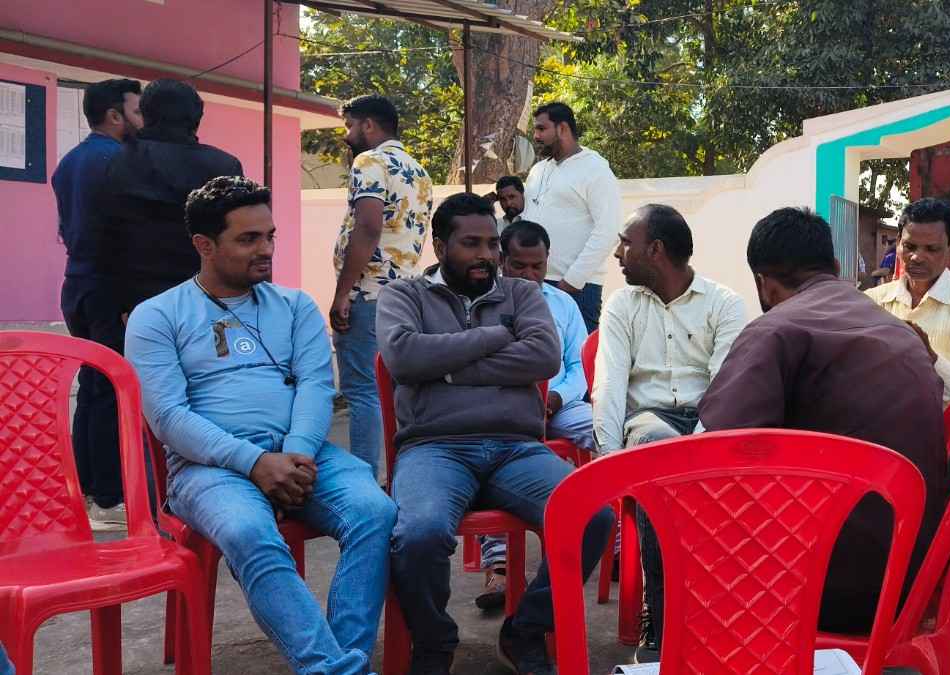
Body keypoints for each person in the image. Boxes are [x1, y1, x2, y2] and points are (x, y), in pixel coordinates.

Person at [125, 176, 396, 674]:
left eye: (269, 236)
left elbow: (316, 386)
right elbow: (167, 417)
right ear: (204, 245)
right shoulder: (158, 316)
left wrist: (296, 454)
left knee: (374, 511)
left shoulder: (293, 306)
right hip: (208, 467)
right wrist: (253, 463)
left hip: (302, 452)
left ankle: (340, 660)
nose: (266, 249)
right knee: (249, 530)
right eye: (248, 239)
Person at [379, 192, 612, 675]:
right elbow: (403, 357)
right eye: (471, 243)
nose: (485, 255)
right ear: (440, 246)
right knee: (418, 535)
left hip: (517, 449)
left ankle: (524, 630)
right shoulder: (405, 295)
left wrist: (444, 367)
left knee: (593, 515)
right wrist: (497, 336)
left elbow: (544, 357)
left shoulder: (521, 294)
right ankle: (435, 643)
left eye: (491, 244)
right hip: (435, 448)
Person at [698, 206, 950, 634]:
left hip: (820, 590)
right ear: (834, 266)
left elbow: (717, 452)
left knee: (669, 495)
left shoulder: (774, 329)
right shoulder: (898, 329)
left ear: (763, 283)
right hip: (911, 583)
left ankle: (664, 647)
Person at [592, 203, 746, 654]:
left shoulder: (724, 303)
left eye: (626, 243)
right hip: (649, 423)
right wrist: (607, 461)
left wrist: (697, 452)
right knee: (658, 457)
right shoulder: (622, 305)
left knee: (696, 471)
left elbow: (724, 391)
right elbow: (609, 383)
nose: (617, 253)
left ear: (655, 250)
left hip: (708, 422)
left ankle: (711, 615)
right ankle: (661, 622)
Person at [471, 218, 596, 612]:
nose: (529, 275)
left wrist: (556, 398)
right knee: (487, 453)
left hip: (557, 405)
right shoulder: (484, 303)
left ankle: (614, 538)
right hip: (502, 412)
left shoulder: (563, 304)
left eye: (537, 266)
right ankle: (499, 565)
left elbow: (579, 367)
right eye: (519, 266)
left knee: (606, 429)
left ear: (548, 262)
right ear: (501, 261)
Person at [52, 77, 143, 527]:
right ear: (114, 115)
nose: (143, 120)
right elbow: (121, 234)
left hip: (77, 284)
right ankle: (108, 498)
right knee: (109, 390)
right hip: (109, 287)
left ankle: (86, 492)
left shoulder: (68, 163)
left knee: (92, 388)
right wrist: (129, 297)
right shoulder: (120, 162)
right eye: (137, 111)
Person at [330, 94, 433, 478]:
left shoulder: (369, 161)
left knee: (363, 392)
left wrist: (343, 293)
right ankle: (405, 478)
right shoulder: (418, 170)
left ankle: (363, 484)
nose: (347, 136)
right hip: (405, 298)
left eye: (350, 126)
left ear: (369, 125)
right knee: (396, 393)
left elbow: (369, 226)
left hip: (368, 294)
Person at [866, 197, 950, 449]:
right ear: (898, 243)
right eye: (909, 246)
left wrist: (931, 359)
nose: (917, 257)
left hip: (948, 438)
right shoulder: (873, 301)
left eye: (931, 249)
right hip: (882, 432)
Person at [97, 78, 242, 314]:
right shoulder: (223, 166)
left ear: (145, 114)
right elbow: (238, 238)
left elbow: (105, 238)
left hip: (138, 299)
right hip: (206, 299)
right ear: (196, 118)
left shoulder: (118, 163)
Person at [524, 102, 622, 333]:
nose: (536, 136)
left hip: (578, 287)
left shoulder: (595, 169)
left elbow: (608, 230)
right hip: (533, 283)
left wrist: (571, 282)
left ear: (562, 128)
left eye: (541, 129)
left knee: (578, 353)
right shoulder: (538, 171)